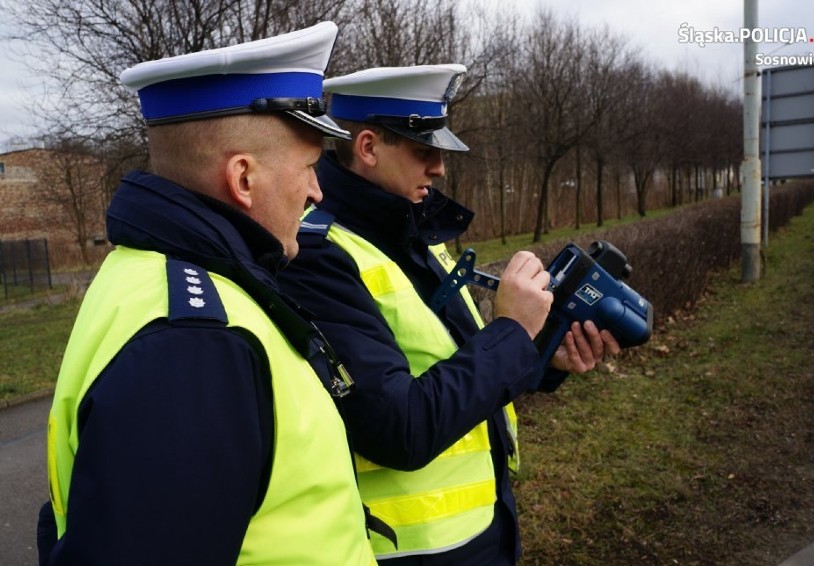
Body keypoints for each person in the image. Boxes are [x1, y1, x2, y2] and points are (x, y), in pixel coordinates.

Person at [37, 22, 378, 566]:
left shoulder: (144, 272)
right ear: (243, 178)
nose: (317, 190)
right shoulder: (197, 344)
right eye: (310, 168)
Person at [277, 64, 622, 564]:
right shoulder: (316, 256)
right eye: (425, 151)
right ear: (368, 148)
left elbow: (449, 363)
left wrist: (541, 355)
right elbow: (398, 426)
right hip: (405, 550)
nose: (439, 167)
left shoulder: (412, 232)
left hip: (483, 526)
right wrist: (511, 331)